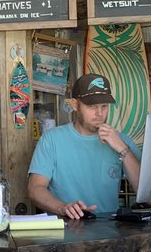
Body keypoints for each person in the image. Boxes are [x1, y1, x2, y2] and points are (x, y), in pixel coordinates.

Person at [28, 73, 140, 220]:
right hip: (65, 228)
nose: (99, 113)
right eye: (91, 106)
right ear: (75, 105)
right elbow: (35, 189)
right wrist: (63, 208)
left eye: (104, 106)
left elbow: (150, 197)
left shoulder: (121, 141)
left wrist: (123, 150)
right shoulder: (52, 139)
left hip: (109, 229)